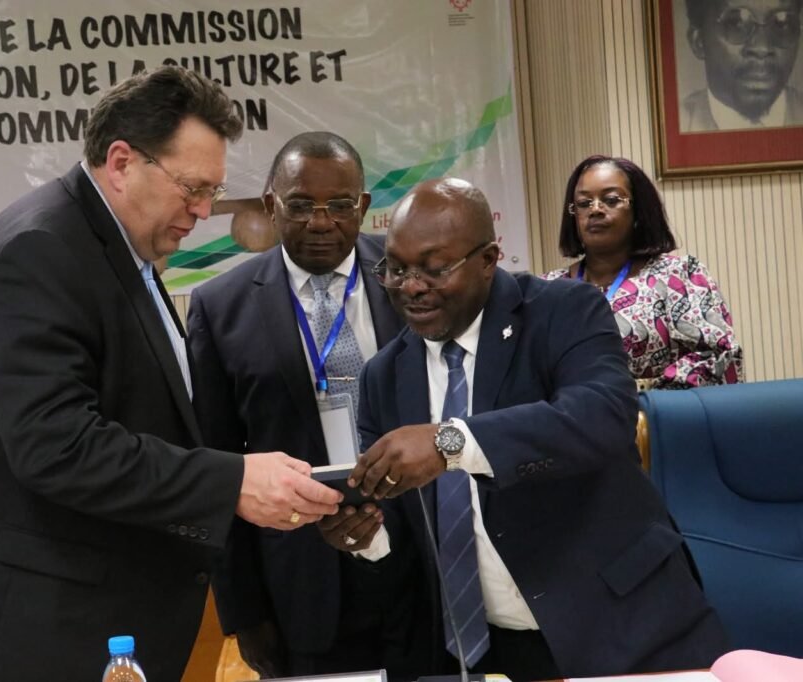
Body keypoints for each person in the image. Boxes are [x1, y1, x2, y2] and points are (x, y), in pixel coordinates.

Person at [0, 66, 341, 682]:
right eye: (192, 188)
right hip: (3, 609)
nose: (203, 210)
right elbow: (56, 446)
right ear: (121, 162)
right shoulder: (41, 251)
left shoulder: (109, 239)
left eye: (213, 191)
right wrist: (230, 482)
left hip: (60, 590)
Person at [339, 178, 729, 681]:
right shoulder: (384, 376)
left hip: (622, 625)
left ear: (488, 259)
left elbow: (602, 415)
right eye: (396, 269)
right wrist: (367, 535)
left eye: (435, 268)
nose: (411, 287)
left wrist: (448, 442)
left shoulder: (564, 310)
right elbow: (402, 524)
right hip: (489, 648)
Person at [188, 132, 422, 679]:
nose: (321, 222)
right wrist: (244, 611)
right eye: (299, 205)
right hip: (298, 582)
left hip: (421, 559)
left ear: (363, 206)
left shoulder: (411, 279)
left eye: (339, 205)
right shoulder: (220, 307)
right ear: (271, 205)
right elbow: (218, 463)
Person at [544, 155, 743, 390]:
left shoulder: (677, 277)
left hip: (654, 410)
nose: (595, 209)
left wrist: (641, 398)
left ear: (638, 211)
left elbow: (716, 356)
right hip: (564, 412)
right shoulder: (547, 290)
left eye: (611, 199)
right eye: (584, 203)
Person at [681, 0, 803, 131]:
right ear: (698, 41)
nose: (762, 48)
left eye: (782, 24)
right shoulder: (675, 124)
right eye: (736, 24)